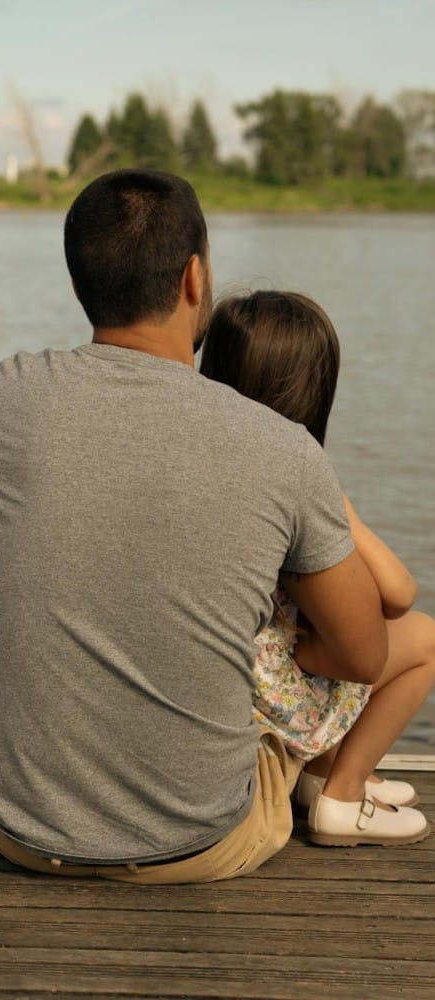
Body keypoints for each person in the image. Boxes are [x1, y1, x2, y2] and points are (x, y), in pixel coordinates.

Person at [0, 168, 393, 883]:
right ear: (195, 277)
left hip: (7, 822)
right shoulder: (281, 447)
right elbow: (363, 656)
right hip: (207, 844)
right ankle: (327, 774)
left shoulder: (4, 392)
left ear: (80, 289)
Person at [199, 290, 434, 845]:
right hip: (274, 700)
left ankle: (320, 774)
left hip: (235, 683)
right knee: (423, 638)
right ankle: (342, 796)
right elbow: (398, 594)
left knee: (320, 636)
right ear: (315, 392)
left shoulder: (207, 470)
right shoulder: (297, 479)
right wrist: (341, 506)